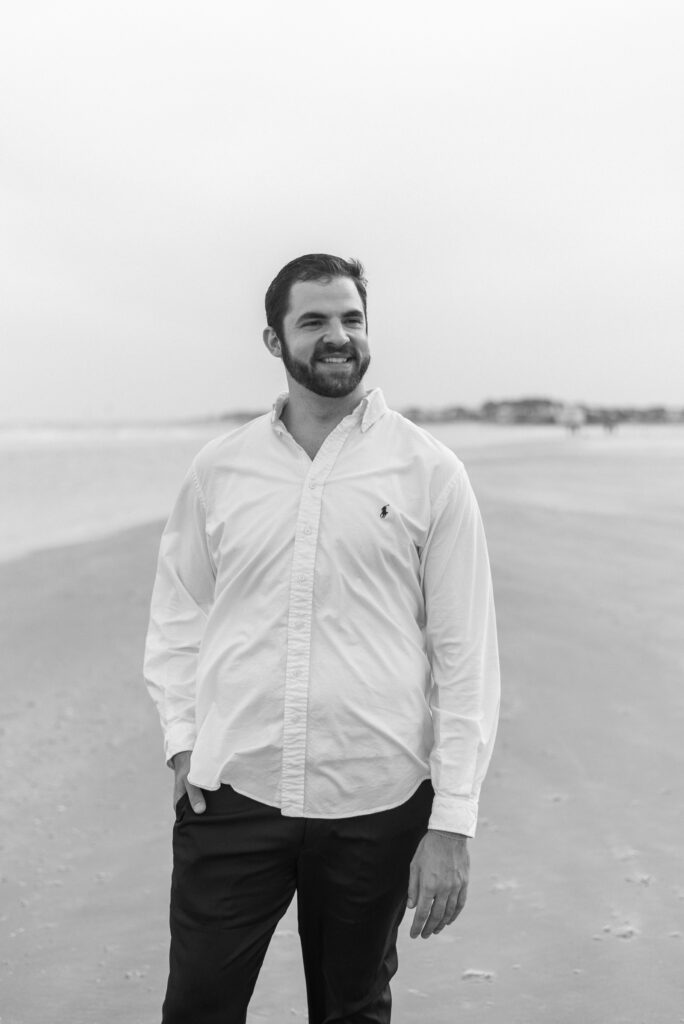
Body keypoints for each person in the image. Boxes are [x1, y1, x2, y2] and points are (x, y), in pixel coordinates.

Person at [144, 253, 500, 1024]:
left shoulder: (429, 471)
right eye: (314, 321)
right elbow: (177, 612)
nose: (338, 336)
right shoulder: (220, 469)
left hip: (377, 799)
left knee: (353, 1010)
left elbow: (467, 655)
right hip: (234, 790)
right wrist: (181, 741)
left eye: (351, 318)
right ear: (275, 341)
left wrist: (452, 822)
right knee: (197, 1006)